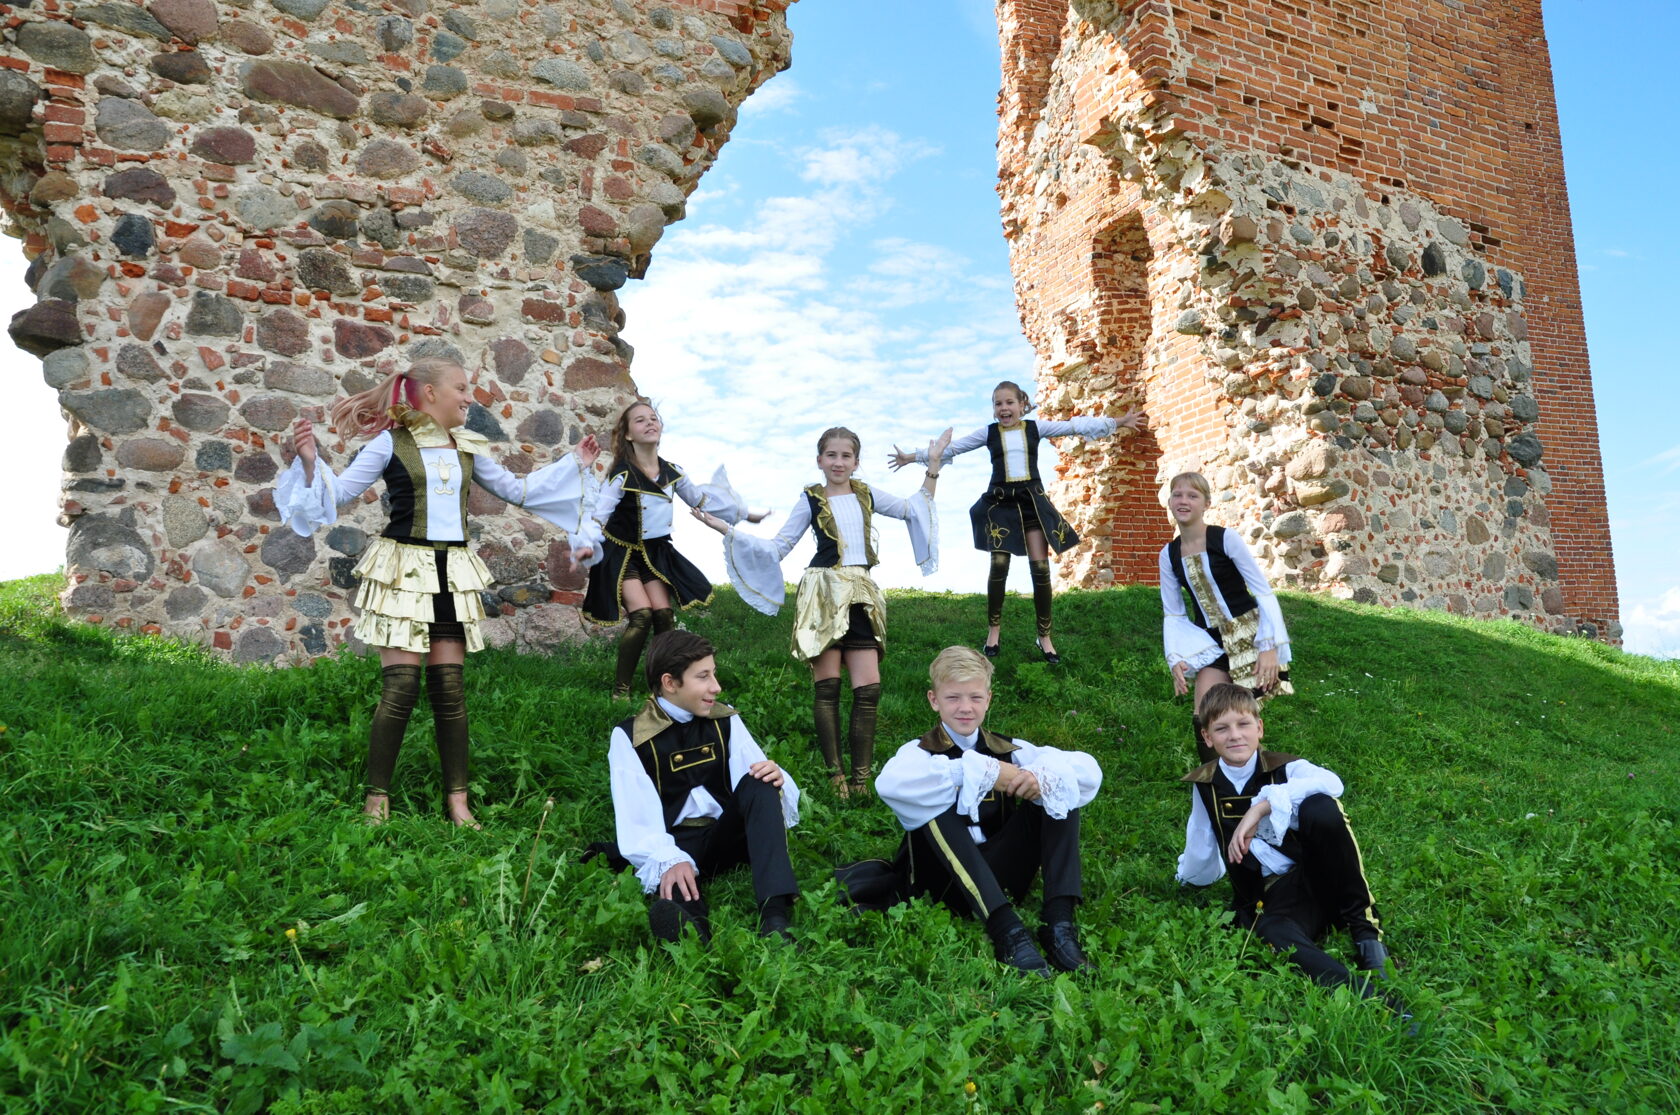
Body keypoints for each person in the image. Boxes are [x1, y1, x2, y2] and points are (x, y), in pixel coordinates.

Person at [279, 357, 600, 826]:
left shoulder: (467, 447)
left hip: (453, 572)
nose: (470, 397)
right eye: (461, 388)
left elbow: (519, 490)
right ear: (430, 392)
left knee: (449, 690)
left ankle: (458, 802)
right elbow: (340, 493)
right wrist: (310, 462)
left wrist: (574, 464)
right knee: (401, 688)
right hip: (403, 571)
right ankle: (376, 799)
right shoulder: (390, 443)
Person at [697, 425, 951, 797]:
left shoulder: (866, 493)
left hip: (861, 594)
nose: (838, 462)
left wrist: (933, 466)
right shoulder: (811, 498)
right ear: (820, 460)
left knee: (869, 690)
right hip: (823, 594)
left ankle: (861, 779)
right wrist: (725, 529)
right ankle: (836, 776)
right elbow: (779, 547)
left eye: (846, 456)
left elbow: (914, 509)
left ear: (856, 462)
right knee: (828, 688)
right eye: (831, 455)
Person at [862, 646, 1103, 975]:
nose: (965, 708)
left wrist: (1039, 777)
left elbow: (1088, 772)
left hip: (1000, 877)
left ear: (988, 699)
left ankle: (1059, 925)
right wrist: (971, 772)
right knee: (933, 806)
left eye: (975, 697)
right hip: (943, 886)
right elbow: (889, 785)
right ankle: (1008, 932)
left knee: (1059, 785)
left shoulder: (1007, 749)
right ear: (934, 700)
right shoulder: (919, 754)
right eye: (953, 698)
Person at [889, 381, 1142, 663]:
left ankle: (1044, 637)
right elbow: (951, 449)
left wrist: (1119, 422)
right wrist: (910, 457)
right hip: (1000, 504)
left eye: (1009, 402)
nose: (1004, 408)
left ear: (1022, 405)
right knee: (999, 564)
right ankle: (993, 631)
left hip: (1031, 502)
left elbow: (1073, 426)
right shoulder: (989, 433)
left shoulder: (1035, 428)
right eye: (998, 404)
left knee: (1041, 568)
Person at [1176, 684, 1397, 1004]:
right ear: (1207, 737)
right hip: (1279, 896)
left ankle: (1366, 935)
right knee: (1272, 931)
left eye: (1243, 724)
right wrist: (1188, 878)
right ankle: (1365, 995)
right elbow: (1200, 840)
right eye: (1222, 728)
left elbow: (1333, 782)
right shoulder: (1206, 784)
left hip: (1323, 877)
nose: (1235, 735)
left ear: (1259, 728)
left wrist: (1262, 807)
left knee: (1321, 806)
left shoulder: (1284, 768)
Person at [606, 630, 801, 943]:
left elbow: (755, 780)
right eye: (703, 676)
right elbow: (637, 814)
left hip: (725, 836)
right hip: (676, 842)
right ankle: (691, 930)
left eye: (714, 673)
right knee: (675, 878)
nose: (716, 686)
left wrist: (775, 775)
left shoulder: (724, 719)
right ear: (670, 683)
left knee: (762, 781)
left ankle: (775, 915)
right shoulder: (630, 737)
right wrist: (669, 857)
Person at [575, 398, 761, 699]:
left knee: (663, 615)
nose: (649, 422)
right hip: (622, 553)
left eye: (653, 418)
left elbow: (702, 501)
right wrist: (586, 545)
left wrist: (744, 514)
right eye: (640, 420)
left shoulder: (673, 472)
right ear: (628, 435)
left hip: (655, 554)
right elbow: (599, 515)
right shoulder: (622, 475)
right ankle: (621, 690)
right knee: (642, 616)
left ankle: (662, 687)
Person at [1159, 470, 1292, 761]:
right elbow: (1174, 613)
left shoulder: (1225, 538)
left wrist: (1269, 646)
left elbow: (1263, 591)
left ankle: (1256, 782)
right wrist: (1176, 656)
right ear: (1169, 501)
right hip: (1210, 642)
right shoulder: (1168, 554)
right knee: (1205, 715)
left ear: (1206, 503)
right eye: (1177, 495)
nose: (1183, 501)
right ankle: (1215, 785)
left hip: (1249, 635)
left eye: (1192, 495)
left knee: (1242, 720)